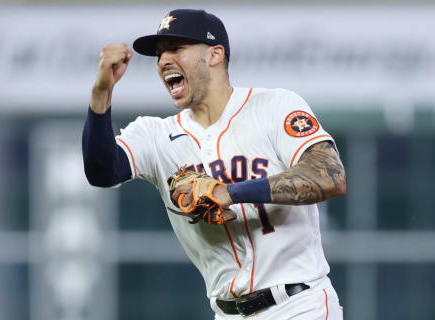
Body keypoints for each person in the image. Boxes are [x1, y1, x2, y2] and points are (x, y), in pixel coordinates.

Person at [82, 9, 346, 319]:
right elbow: (101, 172)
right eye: (159, 53)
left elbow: (330, 176)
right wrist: (102, 92)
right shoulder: (156, 135)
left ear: (215, 55)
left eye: (176, 48)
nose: (164, 60)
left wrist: (230, 192)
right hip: (227, 313)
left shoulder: (274, 106)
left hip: (298, 304)